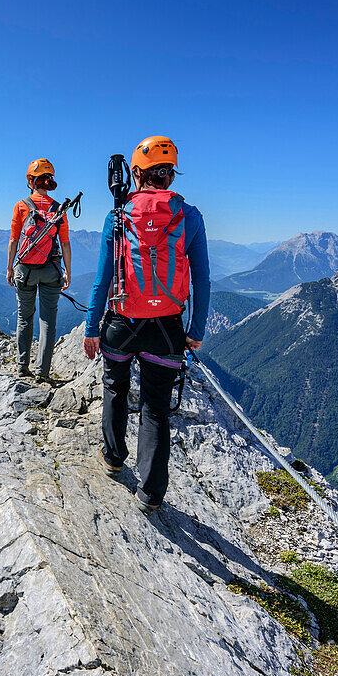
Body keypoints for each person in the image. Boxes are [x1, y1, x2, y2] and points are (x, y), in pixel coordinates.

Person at [82, 137, 210, 513]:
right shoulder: (190, 216)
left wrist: (92, 327)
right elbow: (202, 280)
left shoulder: (117, 216)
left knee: (114, 387)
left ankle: (113, 457)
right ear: (169, 175)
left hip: (122, 322)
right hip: (167, 327)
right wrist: (196, 330)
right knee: (155, 407)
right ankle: (151, 494)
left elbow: (102, 280)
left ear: (136, 173)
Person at [7, 158, 72, 381]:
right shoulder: (58, 209)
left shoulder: (21, 206)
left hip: (24, 270)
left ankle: (21, 366)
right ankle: (42, 372)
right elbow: (65, 243)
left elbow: (14, 240)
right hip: (51, 269)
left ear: (30, 180)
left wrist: (9, 269)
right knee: (48, 320)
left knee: (25, 318)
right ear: (49, 181)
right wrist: (68, 271)